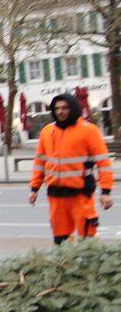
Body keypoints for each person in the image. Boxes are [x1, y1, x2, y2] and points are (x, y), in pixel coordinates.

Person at [29, 93, 114, 244]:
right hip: (56, 196)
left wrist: (106, 191)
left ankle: (89, 266)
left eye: (65, 108)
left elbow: (103, 163)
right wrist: (34, 188)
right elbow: (39, 163)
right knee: (61, 240)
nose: (60, 111)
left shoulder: (89, 131)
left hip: (80, 194)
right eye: (57, 108)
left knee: (87, 240)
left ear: (73, 108)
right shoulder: (47, 132)